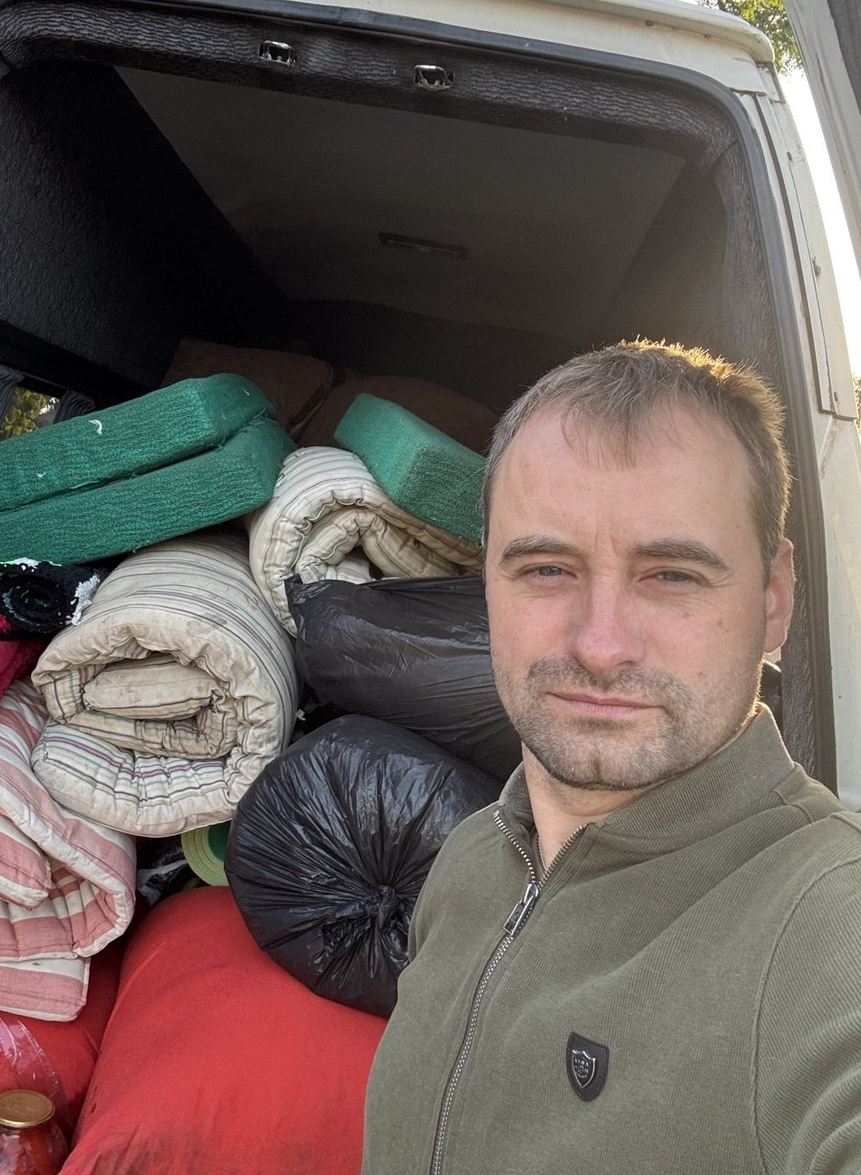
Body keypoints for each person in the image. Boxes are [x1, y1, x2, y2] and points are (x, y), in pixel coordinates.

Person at [361, 340, 861, 1175]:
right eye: (546, 568)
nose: (599, 645)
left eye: (672, 576)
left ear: (773, 598)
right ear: (485, 582)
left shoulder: (827, 922)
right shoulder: (472, 859)